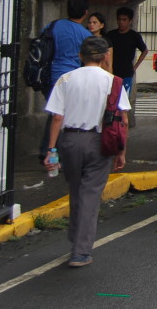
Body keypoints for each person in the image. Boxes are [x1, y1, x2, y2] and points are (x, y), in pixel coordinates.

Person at [42, 36, 130, 267]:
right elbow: (123, 120)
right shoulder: (114, 82)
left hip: (69, 140)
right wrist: (121, 151)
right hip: (100, 141)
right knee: (90, 193)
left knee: (76, 188)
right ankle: (80, 250)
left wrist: (51, 149)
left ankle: (75, 235)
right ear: (105, 56)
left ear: (80, 56)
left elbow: (57, 117)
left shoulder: (66, 79)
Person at [39, 0, 92, 159]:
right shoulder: (85, 35)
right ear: (85, 13)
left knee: (55, 114)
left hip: (51, 76)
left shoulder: (54, 26)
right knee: (66, 118)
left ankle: (47, 150)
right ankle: (57, 153)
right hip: (73, 78)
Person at [105, 6, 148, 101]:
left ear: (130, 21)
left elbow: (145, 50)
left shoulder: (134, 36)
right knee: (111, 99)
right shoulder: (110, 35)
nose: (121, 22)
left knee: (123, 100)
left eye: (124, 20)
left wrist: (135, 67)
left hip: (127, 72)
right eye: (119, 19)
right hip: (112, 72)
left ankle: (121, 116)